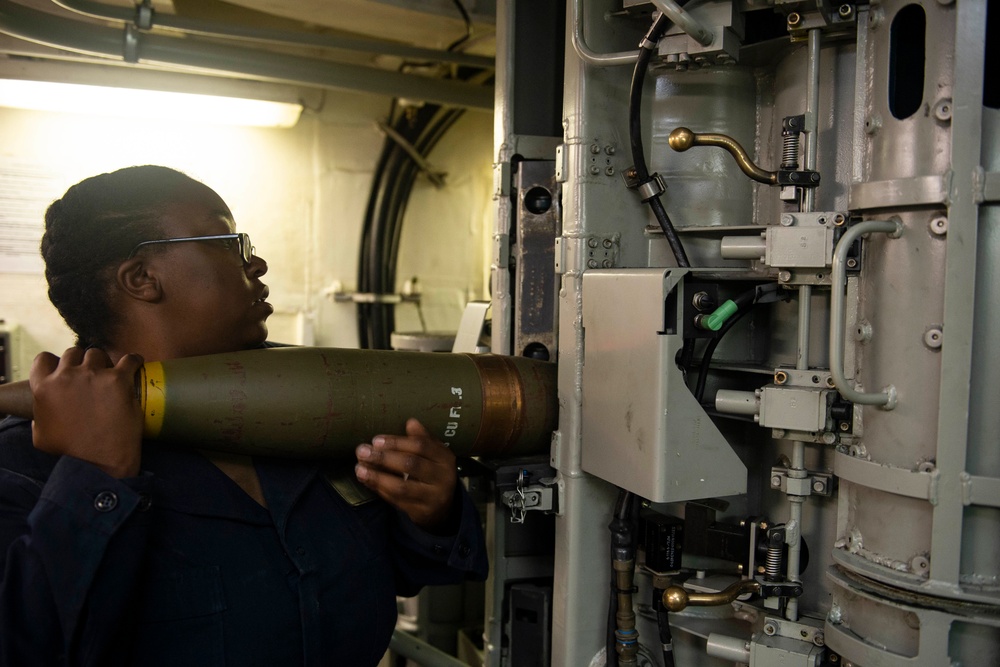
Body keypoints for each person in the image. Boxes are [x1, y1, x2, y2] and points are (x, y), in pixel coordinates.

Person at [0, 165, 488, 666]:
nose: (257, 263)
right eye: (229, 241)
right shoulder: (26, 467)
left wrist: (431, 513)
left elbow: (395, 571)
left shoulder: (322, 399)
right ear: (142, 278)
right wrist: (95, 480)